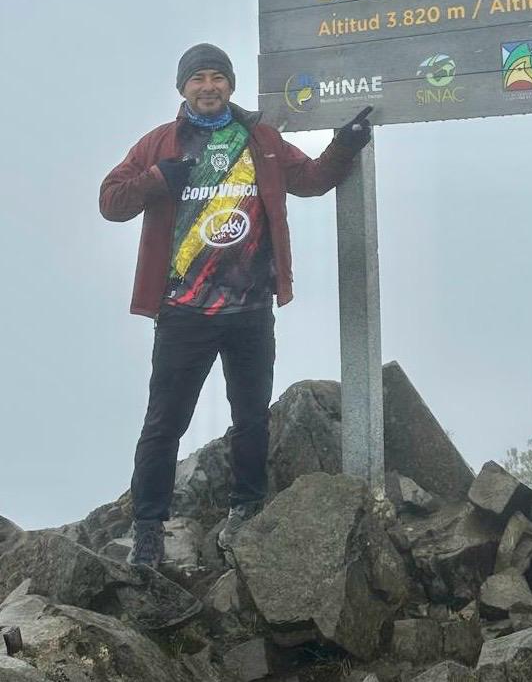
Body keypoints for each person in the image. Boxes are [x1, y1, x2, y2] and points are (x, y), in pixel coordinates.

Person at [99, 43, 372, 567]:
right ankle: (149, 529)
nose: (208, 86)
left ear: (231, 85)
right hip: (183, 311)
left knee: (251, 418)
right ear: (182, 88)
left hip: (249, 310)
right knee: (165, 423)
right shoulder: (159, 144)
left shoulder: (260, 139)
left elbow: (312, 179)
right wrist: (157, 180)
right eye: (198, 78)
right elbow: (111, 202)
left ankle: (247, 510)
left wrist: (347, 143)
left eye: (217, 77)